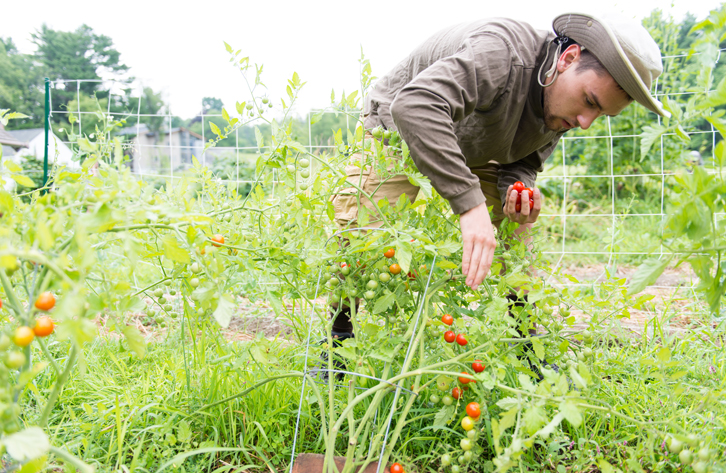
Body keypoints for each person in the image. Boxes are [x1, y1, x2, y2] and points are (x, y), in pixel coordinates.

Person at [322, 12, 667, 378]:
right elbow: (415, 107)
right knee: (358, 237)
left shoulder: (563, 106)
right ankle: (338, 348)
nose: (586, 122)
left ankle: (527, 352)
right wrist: (470, 207)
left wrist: (517, 191)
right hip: (400, 128)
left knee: (517, 243)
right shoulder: (502, 52)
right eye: (590, 102)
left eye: (600, 115)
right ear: (567, 60)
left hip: (478, 141)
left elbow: (525, 160)